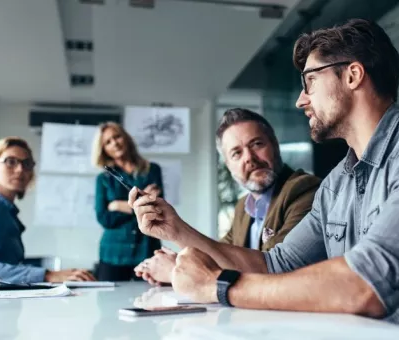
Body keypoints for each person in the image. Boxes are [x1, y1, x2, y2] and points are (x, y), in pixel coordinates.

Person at [127, 18, 399, 335]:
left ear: (352, 76)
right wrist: (176, 230)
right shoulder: (337, 183)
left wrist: (218, 286)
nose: (301, 99)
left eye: (310, 81)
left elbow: (366, 285)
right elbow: (275, 265)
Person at [133, 108, 321, 284]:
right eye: (236, 153)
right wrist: (179, 261)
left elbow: (274, 270)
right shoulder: (244, 207)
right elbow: (220, 256)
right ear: (229, 166)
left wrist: (176, 269)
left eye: (256, 144)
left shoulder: (304, 190)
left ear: (275, 146)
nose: (249, 157)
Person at [0, 137, 95, 283]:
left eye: (26, 164)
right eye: (10, 162)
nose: (20, 169)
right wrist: (47, 275)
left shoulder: (2, 210)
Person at [92, 122, 163, 281]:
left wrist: (117, 205)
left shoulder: (152, 170)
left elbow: (156, 211)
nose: (114, 143)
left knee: (149, 299)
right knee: (108, 303)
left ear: (126, 138)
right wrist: (139, 205)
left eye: (117, 137)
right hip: (113, 253)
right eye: (108, 142)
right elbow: (104, 218)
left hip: (146, 249)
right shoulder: (103, 179)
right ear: (103, 149)